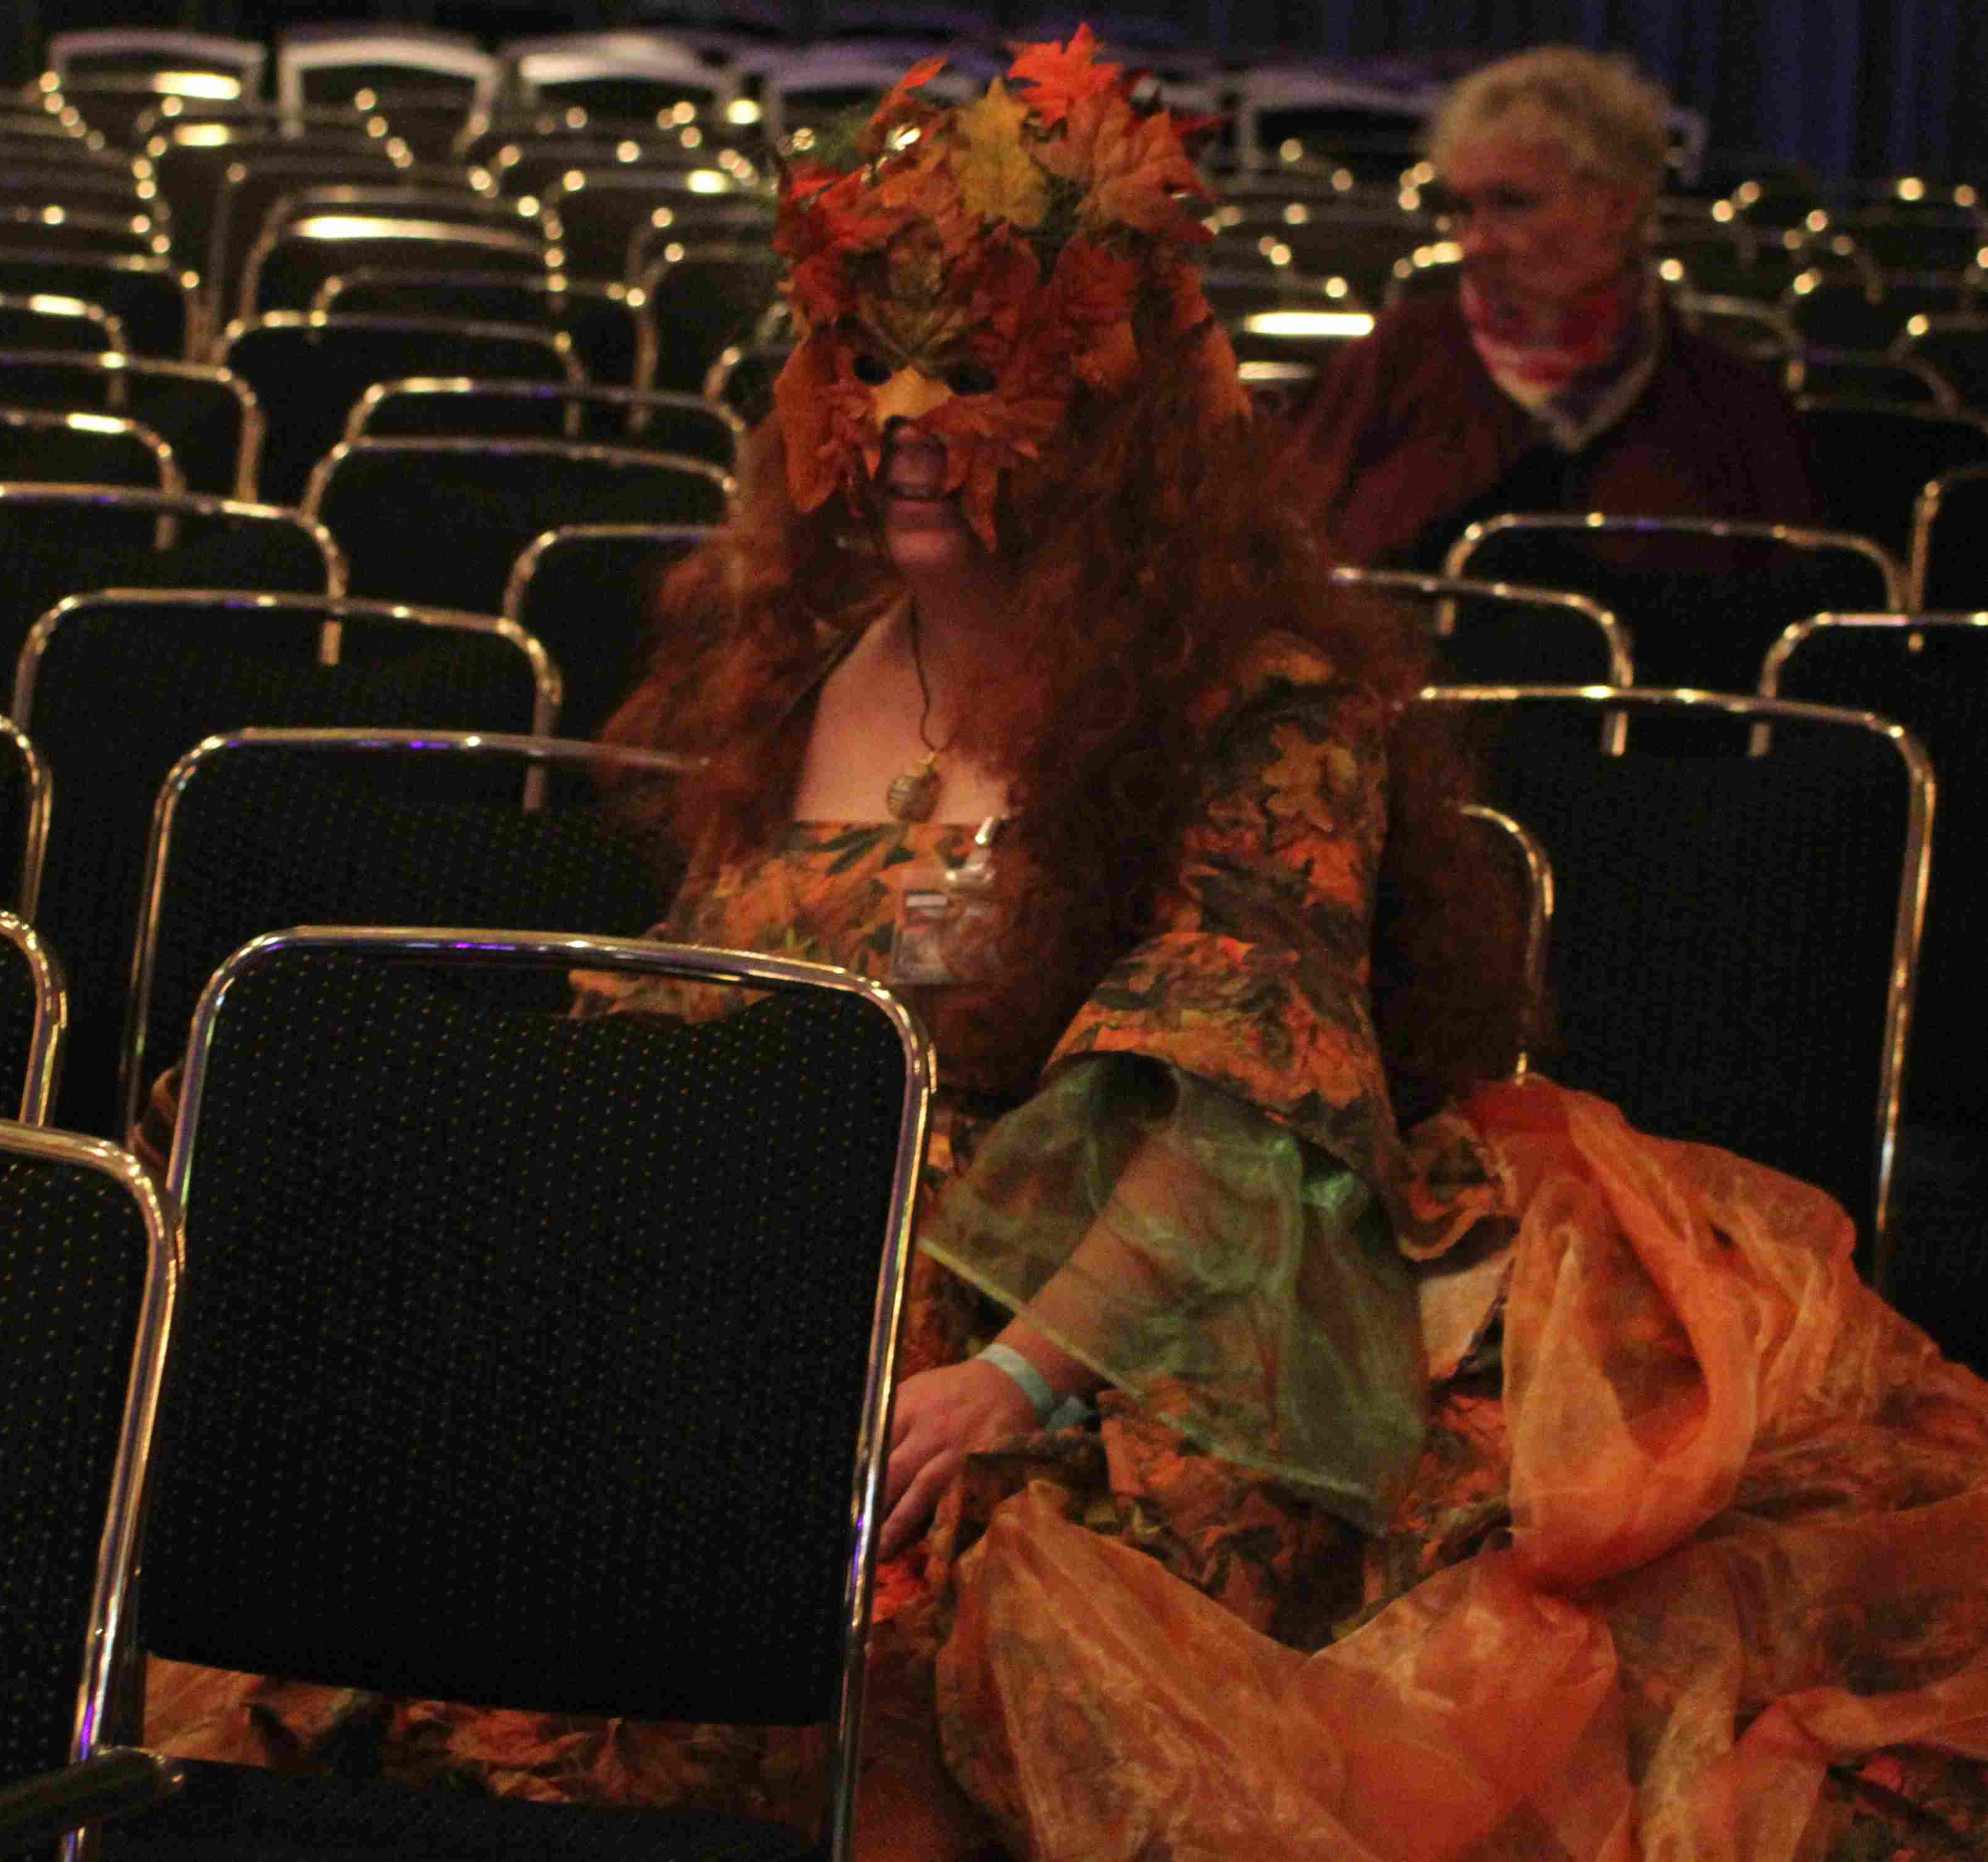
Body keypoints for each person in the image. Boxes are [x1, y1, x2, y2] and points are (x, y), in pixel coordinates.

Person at [147, 31, 1988, 1861]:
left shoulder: (1252, 703)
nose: (904, 423)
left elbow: (1240, 1124)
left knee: (910, 1624)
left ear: (1106, 416)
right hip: (801, 1253)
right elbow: (706, 1010)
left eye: (974, 375)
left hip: (1152, 1314)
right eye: (865, 365)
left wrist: (1012, 1380)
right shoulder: (793, 662)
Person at [1287, 46, 1818, 574]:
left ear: (1618, 207)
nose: (1473, 243)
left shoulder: (1733, 414)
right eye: (1462, 209)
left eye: (1512, 203)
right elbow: (1290, 563)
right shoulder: (1394, 361)